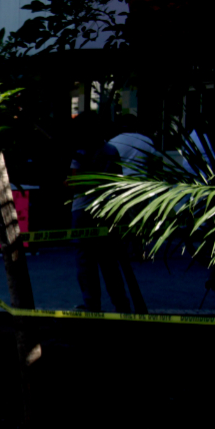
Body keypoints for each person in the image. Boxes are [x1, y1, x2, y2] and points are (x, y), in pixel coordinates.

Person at [70, 114, 140, 313]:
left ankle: (92, 304)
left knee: (85, 261)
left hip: (83, 209)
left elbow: (76, 183)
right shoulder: (111, 150)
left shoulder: (80, 152)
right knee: (109, 261)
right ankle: (121, 304)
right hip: (107, 209)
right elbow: (117, 180)